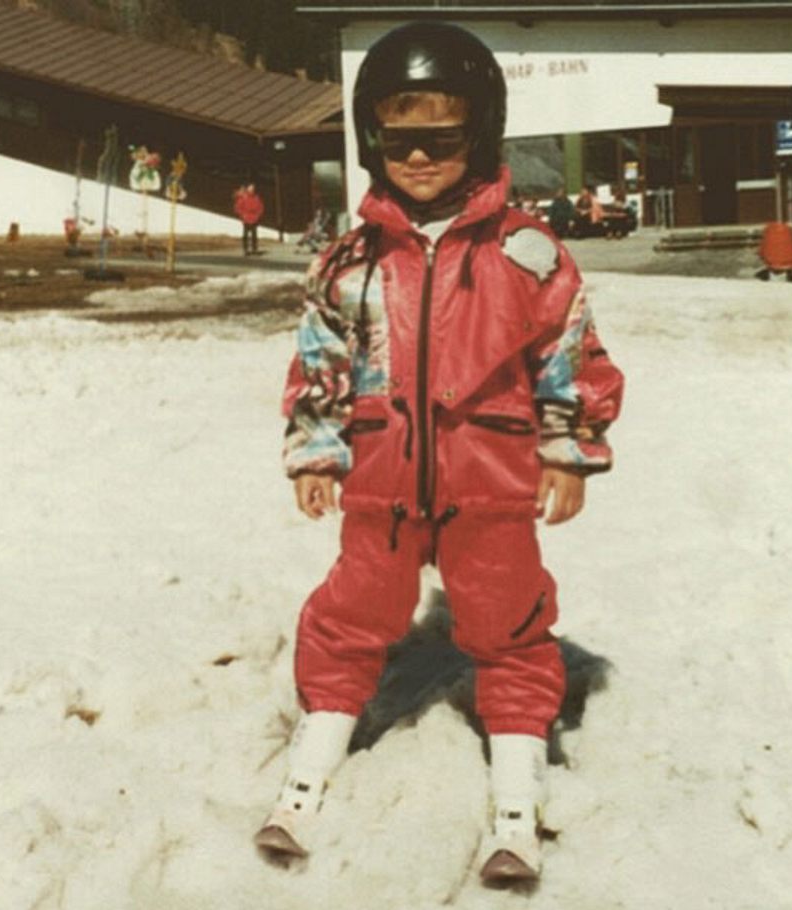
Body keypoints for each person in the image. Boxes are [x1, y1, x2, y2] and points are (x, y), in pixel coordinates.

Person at [255, 21, 624, 887]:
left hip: (492, 481)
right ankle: (310, 768)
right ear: (369, 137)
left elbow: (567, 355)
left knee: (507, 621)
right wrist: (317, 449)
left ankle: (515, 790)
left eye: (442, 140)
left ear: (480, 133)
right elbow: (321, 360)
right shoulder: (350, 261)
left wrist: (565, 450)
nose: (419, 158)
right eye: (399, 138)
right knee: (354, 611)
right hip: (383, 482)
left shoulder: (524, 253)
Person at [234, 183, 264, 255]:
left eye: (253, 188)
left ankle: (254, 249)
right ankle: (245, 250)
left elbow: (260, 207)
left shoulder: (256, 198)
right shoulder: (243, 197)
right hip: (246, 218)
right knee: (245, 235)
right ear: (247, 189)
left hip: (254, 218)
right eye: (250, 188)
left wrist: (258, 215)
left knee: (254, 235)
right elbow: (238, 208)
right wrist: (242, 215)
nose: (252, 190)